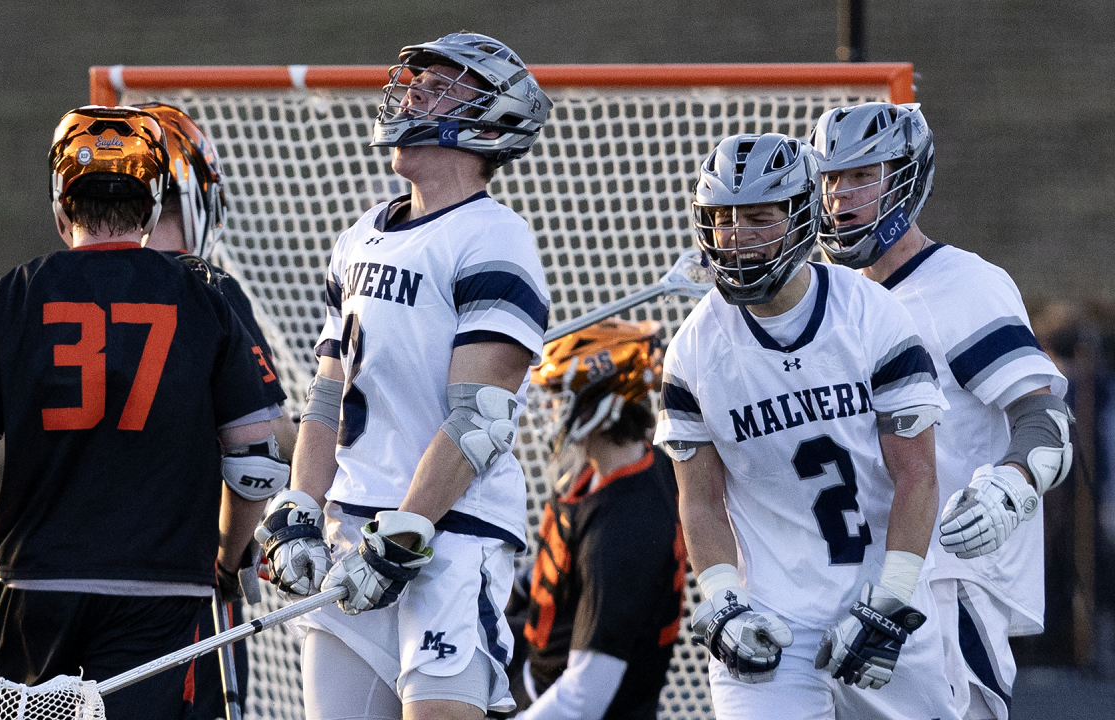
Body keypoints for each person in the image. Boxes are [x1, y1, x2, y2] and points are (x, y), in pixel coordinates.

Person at [0, 105, 289, 720]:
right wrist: (227, 557)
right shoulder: (202, 295)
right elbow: (256, 460)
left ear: (60, 200)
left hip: (37, 584)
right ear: (153, 202)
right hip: (163, 589)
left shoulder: (13, 295)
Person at [254, 31, 552, 720]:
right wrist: (301, 503)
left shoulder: (493, 237)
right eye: (415, 79)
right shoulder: (361, 235)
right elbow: (327, 394)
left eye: (442, 83)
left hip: (449, 537)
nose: (414, 91)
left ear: (492, 115)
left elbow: (479, 420)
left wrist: (407, 529)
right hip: (353, 530)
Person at [653, 132, 960, 719]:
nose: (735, 238)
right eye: (721, 219)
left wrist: (891, 601)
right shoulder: (694, 349)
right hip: (771, 617)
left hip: (882, 596)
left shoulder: (872, 315)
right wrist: (720, 597)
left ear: (802, 217)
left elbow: (918, 475)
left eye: (759, 218)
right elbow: (701, 501)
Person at [812, 103, 1071, 720]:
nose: (839, 196)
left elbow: (1047, 418)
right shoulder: (826, 296)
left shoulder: (964, 285)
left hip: (943, 582)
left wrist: (1010, 487)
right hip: (842, 586)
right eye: (830, 178)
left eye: (860, 176)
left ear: (905, 177)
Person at [138, 100, 295, 720]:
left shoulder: (36, 291)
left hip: (62, 579)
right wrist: (230, 553)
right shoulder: (208, 291)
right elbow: (263, 447)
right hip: (183, 579)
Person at [514, 318, 686, 720]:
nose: (549, 407)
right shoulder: (616, 465)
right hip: (535, 670)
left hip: (573, 704)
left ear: (601, 404)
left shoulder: (625, 528)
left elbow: (583, 698)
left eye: (559, 394)